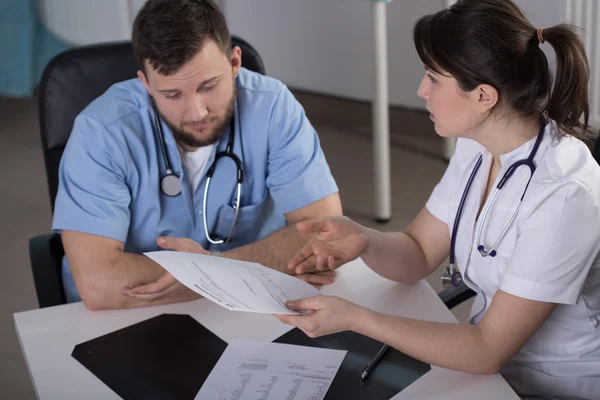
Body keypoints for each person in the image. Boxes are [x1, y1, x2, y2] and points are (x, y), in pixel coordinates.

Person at [275, 0, 600, 398]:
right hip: (485, 371)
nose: (421, 90)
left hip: (552, 386)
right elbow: (416, 252)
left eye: (433, 77)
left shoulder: (564, 197)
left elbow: (487, 351)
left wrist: (355, 318)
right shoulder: (478, 145)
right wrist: (363, 239)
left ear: (483, 96)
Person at [51, 0, 342, 311]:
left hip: (250, 311)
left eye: (209, 86)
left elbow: (328, 237)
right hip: (133, 319)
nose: (196, 112)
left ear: (234, 63)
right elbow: (99, 285)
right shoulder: (101, 132)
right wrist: (253, 268)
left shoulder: (273, 109)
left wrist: (211, 269)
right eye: (172, 94)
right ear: (146, 84)